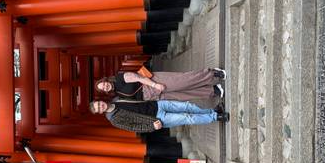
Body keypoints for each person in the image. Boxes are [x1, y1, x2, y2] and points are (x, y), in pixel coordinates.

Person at [89, 99, 229, 133]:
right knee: (187, 117)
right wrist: (152, 127)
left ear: (100, 101)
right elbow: (133, 127)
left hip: (157, 104)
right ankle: (216, 118)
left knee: (187, 106)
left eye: (99, 104)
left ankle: (213, 111)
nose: (101, 106)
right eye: (98, 108)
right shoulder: (114, 119)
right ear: (100, 112)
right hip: (156, 119)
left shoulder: (117, 100)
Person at [94, 68, 226, 102]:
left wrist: (155, 85)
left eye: (103, 84)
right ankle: (212, 90)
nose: (105, 86)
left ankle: (212, 74)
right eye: (103, 89)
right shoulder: (116, 93)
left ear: (106, 80)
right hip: (151, 96)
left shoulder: (118, 78)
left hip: (153, 83)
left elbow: (137, 77)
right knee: (182, 95)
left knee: (183, 81)